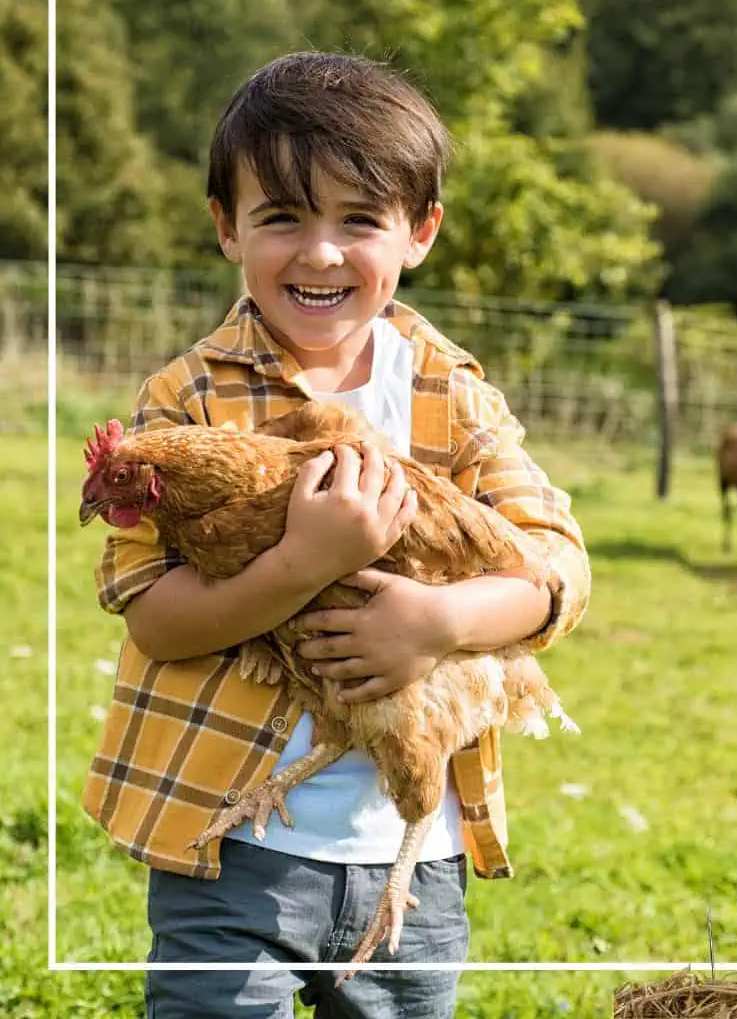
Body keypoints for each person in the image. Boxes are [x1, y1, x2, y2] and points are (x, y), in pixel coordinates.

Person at [83, 52, 590, 1019]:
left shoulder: (456, 396)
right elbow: (157, 621)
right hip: (227, 844)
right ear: (227, 227)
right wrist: (303, 563)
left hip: (417, 853)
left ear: (420, 233)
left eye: (358, 220)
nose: (319, 254)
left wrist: (435, 623)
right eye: (281, 217)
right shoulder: (184, 398)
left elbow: (555, 569)